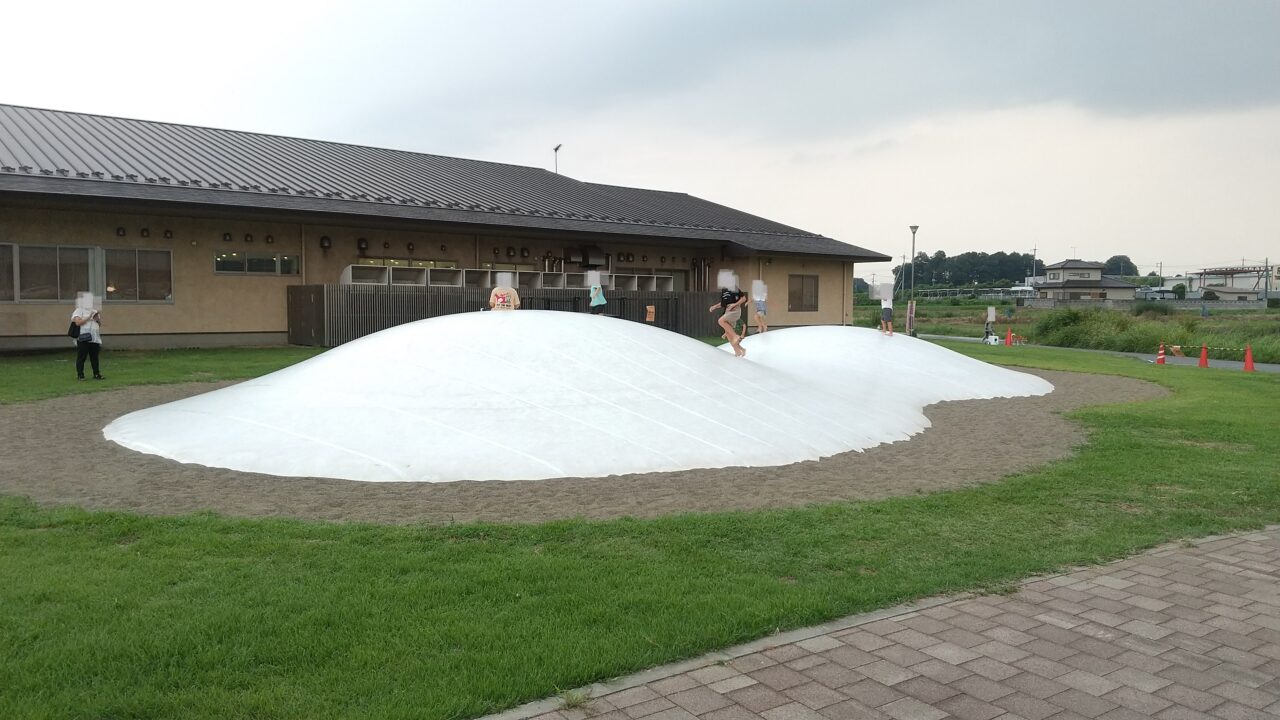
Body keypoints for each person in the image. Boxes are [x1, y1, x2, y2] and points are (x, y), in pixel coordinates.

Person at [710, 284, 748, 357]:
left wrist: (734, 305)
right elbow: (723, 303)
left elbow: (743, 299)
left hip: (735, 310)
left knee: (720, 321)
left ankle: (735, 336)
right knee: (728, 334)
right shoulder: (724, 291)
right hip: (728, 311)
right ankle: (739, 351)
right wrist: (714, 307)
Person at [71, 305, 104, 380]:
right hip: (83, 337)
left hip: (95, 338)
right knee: (82, 357)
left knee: (94, 357)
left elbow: (99, 324)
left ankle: (96, 374)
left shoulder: (94, 311)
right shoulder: (79, 310)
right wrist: (89, 317)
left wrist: (97, 319)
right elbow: (78, 323)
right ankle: (80, 375)